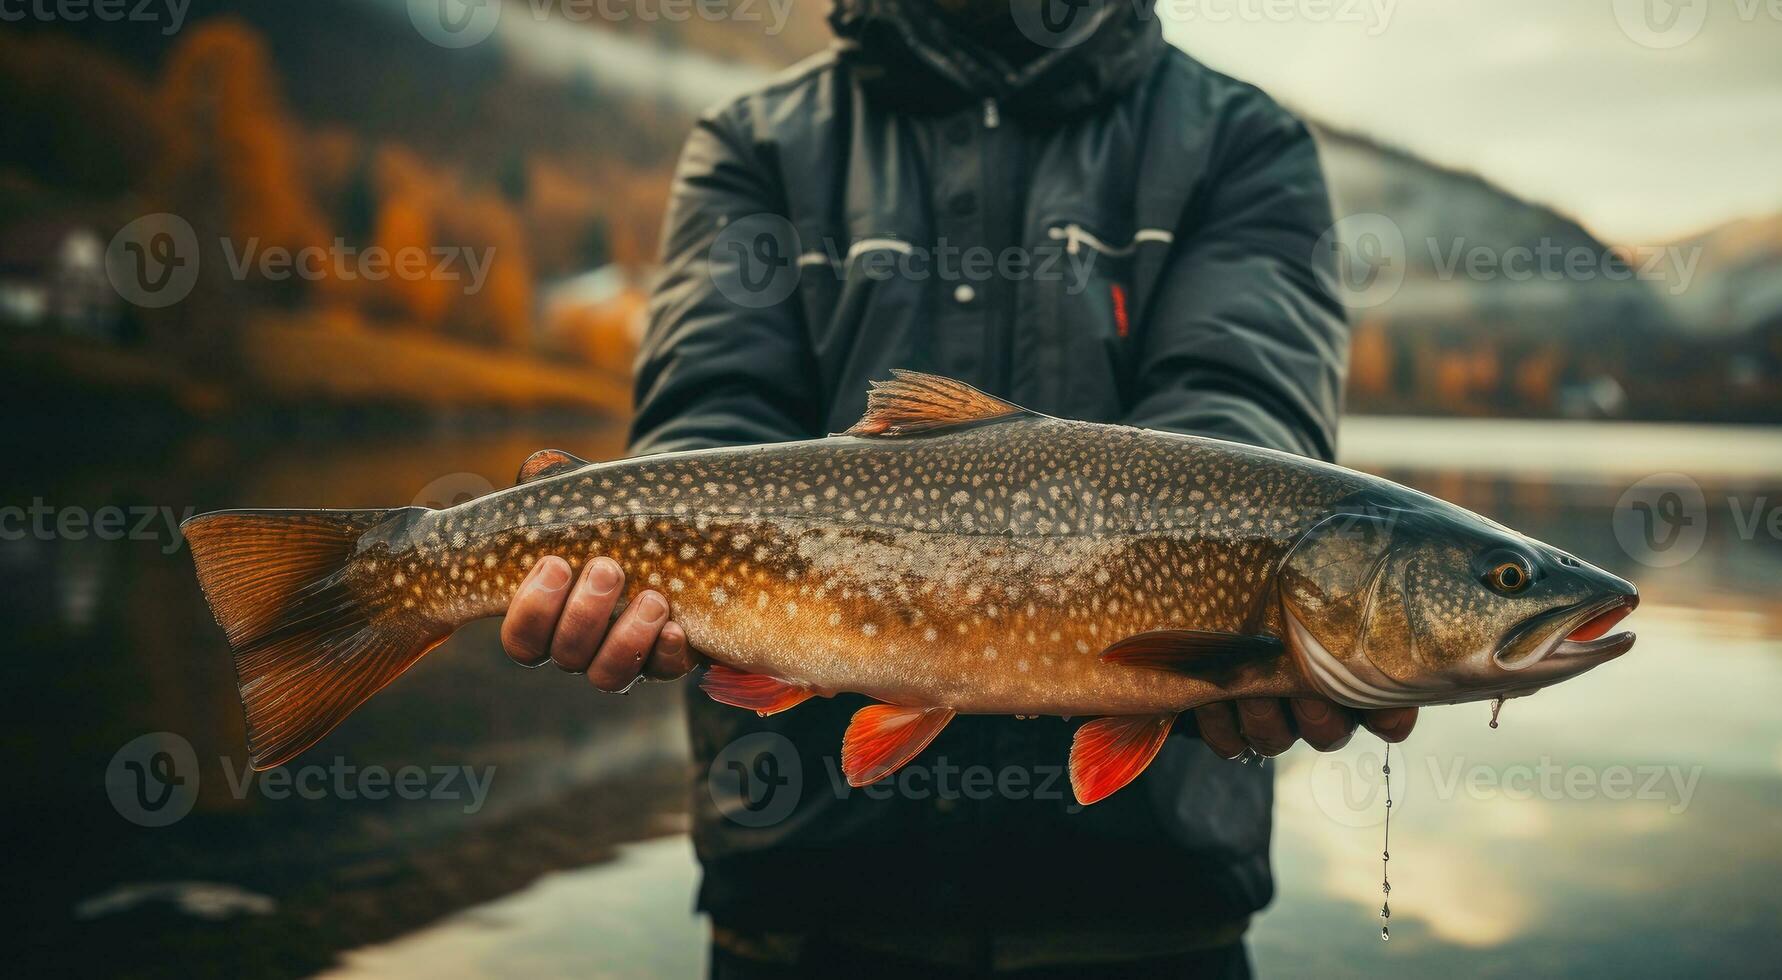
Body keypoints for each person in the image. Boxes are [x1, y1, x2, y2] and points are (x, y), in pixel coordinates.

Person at [498, 0, 1417, 974]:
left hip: (1144, 903)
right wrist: (623, 572)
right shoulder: (755, 140)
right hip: (802, 891)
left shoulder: (1238, 141)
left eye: (1501, 584)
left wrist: (1236, 621)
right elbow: (711, 420)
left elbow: (1243, 422)